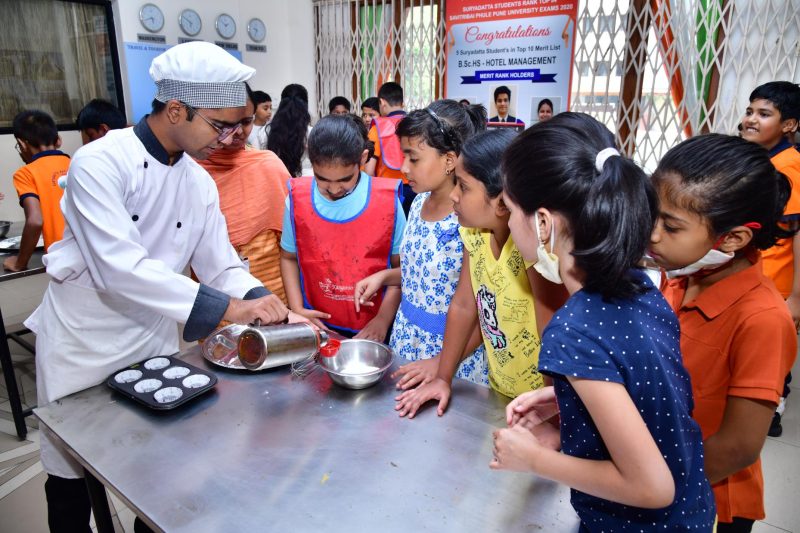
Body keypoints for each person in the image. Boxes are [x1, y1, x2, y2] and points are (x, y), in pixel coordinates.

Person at [24, 41, 292, 533]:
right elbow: (119, 269)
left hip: (149, 335)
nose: (232, 138)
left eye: (239, 126)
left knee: (162, 470)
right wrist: (231, 309)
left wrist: (262, 301)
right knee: (71, 475)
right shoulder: (99, 164)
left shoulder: (197, 181)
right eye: (221, 125)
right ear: (175, 110)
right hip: (84, 338)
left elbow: (220, 264)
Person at [492, 112, 715, 530]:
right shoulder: (638, 283)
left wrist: (535, 459)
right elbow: (647, 391)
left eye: (510, 209)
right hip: (694, 511)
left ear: (542, 223)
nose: (507, 221)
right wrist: (572, 399)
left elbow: (651, 487)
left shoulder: (573, 329)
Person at [649, 134, 797, 532]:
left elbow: (738, 447)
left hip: (706, 494)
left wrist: (657, 486)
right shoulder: (681, 274)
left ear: (732, 238)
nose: (652, 234)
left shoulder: (762, 319)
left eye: (671, 226)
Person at [392, 128, 566, 418]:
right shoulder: (474, 235)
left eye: (463, 186)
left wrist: (550, 416)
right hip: (499, 391)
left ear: (501, 202)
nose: (455, 196)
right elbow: (463, 306)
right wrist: (442, 378)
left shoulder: (530, 250)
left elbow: (552, 339)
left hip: (537, 402)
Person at [353, 100, 489, 385]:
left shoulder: (470, 220)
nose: (403, 167)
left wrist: (442, 365)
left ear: (449, 160)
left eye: (413, 158)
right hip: (407, 341)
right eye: (403, 156)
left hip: (451, 355)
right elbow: (425, 274)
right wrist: (384, 277)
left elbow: (480, 308)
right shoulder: (417, 204)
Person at [280, 114, 406, 340]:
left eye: (344, 180)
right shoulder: (297, 200)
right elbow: (288, 257)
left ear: (363, 158)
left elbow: (401, 272)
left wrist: (382, 320)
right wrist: (296, 307)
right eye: (323, 179)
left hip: (373, 327)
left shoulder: (386, 201)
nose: (334, 189)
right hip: (317, 323)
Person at [740, 81, 800, 437]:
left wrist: (795, 297)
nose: (751, 120)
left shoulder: (790, 168)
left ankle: (770, 409)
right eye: (750, 111)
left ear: (789, 125)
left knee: (770, 356)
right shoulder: (761, 158)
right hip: (756, 276)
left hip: (776, 284)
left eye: (764, 114)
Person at [195, 85, 291, 303]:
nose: (238, 133)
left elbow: (291, 241)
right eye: (227, 125)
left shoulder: (267, 164)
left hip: (272, 289)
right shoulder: (191, 170)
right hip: (216, 295)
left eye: (246, 122)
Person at [3, 110, 69, 272]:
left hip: (60, 258)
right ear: (58, 140)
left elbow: (35, 221)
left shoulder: (25, 173)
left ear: (22, 144)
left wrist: (19, 263)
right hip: (91, 251)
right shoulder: (75, 163)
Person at [364, 82, 412, 210]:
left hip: (387, 190)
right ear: (402, 102)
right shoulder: (416, 124)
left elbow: (369, 170)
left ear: (382, 102)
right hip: (415, 189)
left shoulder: (377, 128)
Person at [266, 83, 312, 177]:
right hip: (305, 182)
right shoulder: (311, 132)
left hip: (277, 179)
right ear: (305, 104)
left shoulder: (268, 131)